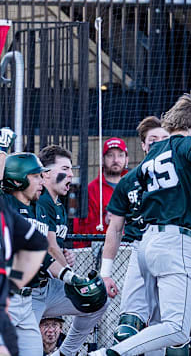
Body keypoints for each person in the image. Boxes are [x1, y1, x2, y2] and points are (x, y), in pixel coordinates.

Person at [90, 91, 191, 356]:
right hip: (173, 241)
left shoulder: (153, 156)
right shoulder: (181, 143)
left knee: (147, 326)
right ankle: (111, 354)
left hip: (145, 243)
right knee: (177, 330)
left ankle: (116, 351)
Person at [34, 145, 110, 356]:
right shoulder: (41, 200)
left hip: (50, 286)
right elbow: (49, 247)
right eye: (65, 168)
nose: (71, 175)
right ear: (46, 173)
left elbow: (55, 247)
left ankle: (65, 353)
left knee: (97, 300)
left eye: (71, 169)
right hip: (28, 293)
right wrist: (72, 275)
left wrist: (65, 255)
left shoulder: (58, 205)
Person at [0, 128, 49, 356]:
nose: (42, 180)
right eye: (37, 175)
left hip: (26, 300)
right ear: (19, 178)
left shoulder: (37, 207)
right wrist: (2, 151)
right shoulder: (5, 203)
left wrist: (68, 274)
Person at [74, 137, 129, 246]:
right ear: (102, 160)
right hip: (99, 250)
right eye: (110, 155)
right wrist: (104, 220)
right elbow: (79, 231)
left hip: (131, 249)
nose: (116, 160)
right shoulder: (91, 190)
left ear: (127, 159)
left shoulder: (133, 187)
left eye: (120, 155)